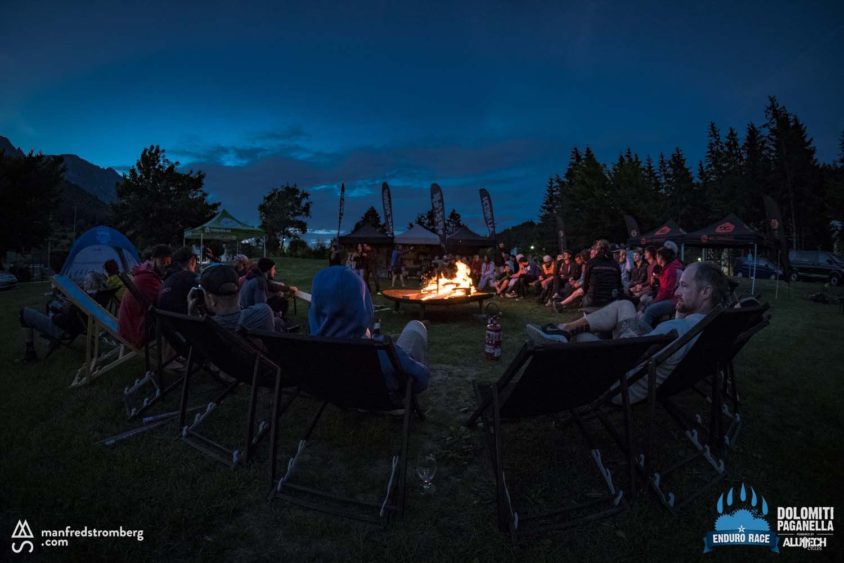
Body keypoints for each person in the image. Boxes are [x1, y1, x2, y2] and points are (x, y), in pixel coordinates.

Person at [526, 261, 730, 403]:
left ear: (705, 292)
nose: (676, 292)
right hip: (649, 367)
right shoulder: (714, 326)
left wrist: (619, 334)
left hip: (620, 384)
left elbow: (627, 356)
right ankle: (563, 330)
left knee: (582, 336)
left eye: (684, 286)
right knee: (624, 305)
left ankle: (564, 332)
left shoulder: (675, 329)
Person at [308, 265, 430, 395]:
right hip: (382, 397)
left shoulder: (308, 348)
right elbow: (421, 378)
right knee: (415, 327)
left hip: (339, 391)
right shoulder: (380, 352)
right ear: (361, 303)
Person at [190, 265, 278, 332]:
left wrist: (192, 314)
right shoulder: (264, 313)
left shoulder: (204, 328)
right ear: (239, 293)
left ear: (211, 299)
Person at [118, 244, 172, 349]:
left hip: (129, 326)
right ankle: (171, 358)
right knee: (174, 319)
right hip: (135, 331)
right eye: (163, 262)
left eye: (168, 264)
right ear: (152, 259)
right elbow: (163, 302)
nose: (165, 267)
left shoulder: (144, 273)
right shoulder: (146, 279)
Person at [640, 247, 684, 326]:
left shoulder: (670, 270)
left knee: (649, 310)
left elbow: (667, 292)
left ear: (661, 258)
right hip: (669, 297)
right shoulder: (667, 269)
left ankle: (643, 334)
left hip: (674, 300)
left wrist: (655, 300)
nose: (656, 259)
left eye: (657, 257)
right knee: (646, 305)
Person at [581, 239, 622, 308]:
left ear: (597, 250)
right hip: (611, 299)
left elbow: (585, 283)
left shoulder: (591, 263)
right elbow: (619, 284)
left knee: (585, 300)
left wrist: (586, 293)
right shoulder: (614, 264)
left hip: (594, 299)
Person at [157, 247, 199, 314]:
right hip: (183, 321)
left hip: (164, 320)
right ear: (192, 260)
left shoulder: (165, 277)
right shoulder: (191, 278)